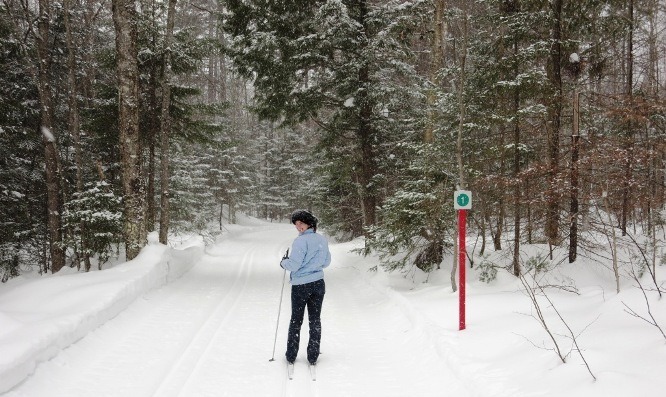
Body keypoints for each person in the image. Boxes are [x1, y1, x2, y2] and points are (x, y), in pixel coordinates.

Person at [280, 209, 331, 366]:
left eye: (300, 223)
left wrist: (283, 262)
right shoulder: (322, 240)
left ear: (309, 223)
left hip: (301, 286)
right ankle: (313, 355)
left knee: (296, 320)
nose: (298, 227)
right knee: (315, 320)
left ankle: (291, 355)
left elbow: (294, 265)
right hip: (318, 284)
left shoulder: (300, 241)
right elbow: (326, 262)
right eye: (296, 224)